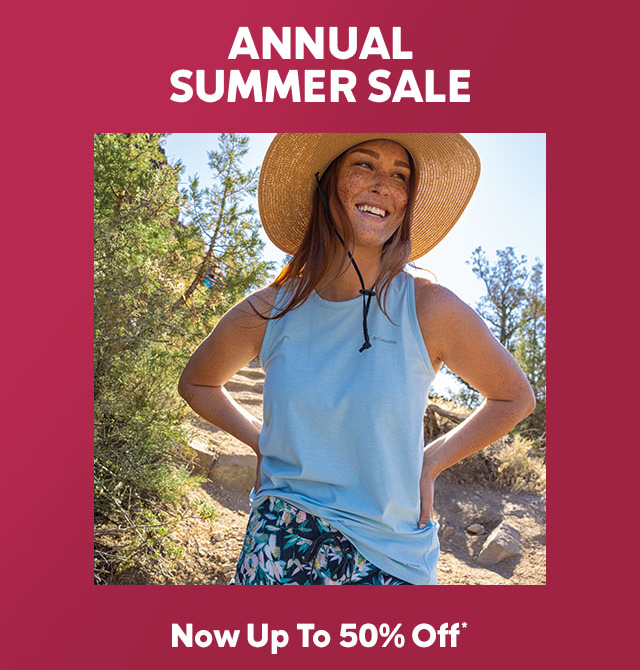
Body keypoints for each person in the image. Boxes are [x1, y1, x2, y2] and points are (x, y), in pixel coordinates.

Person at [178, 133, 535, 585]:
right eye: (363, 165)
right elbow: (197, 382)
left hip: (388, 558)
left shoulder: (429, 308)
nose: (383, 184)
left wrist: (430, 462)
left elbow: (514, 397)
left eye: (400, 174)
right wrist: (259, 442)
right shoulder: (270, 309)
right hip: (277, 545)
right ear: (326, 184)